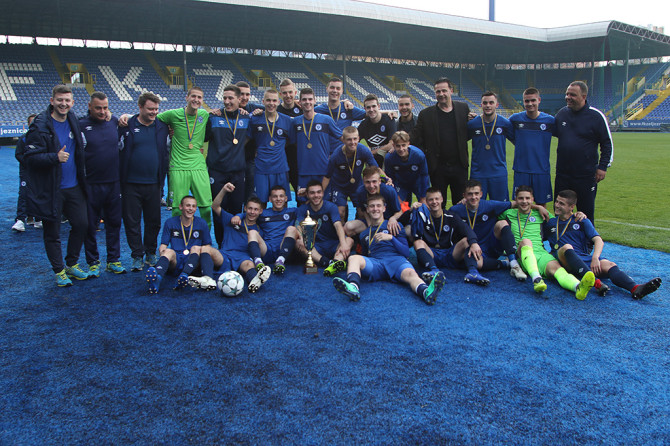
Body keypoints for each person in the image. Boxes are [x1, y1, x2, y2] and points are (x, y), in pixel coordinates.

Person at [23, 84, 89, 286]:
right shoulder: (40, 125)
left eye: (67, 100)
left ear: (72, 102)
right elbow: (29, 158)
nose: (63, 104)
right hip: (52, 188)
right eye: (60, 100)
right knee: (52, 232)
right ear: (52, 101)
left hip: (74, 186)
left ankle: (71, 264)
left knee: (82, 224)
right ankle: (59, 270)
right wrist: (54, 157)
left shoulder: (73, 119)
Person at [332, 194, 446, 305]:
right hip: (377, 263)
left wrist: (391, 238)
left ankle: (426, 291)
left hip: (396, 261)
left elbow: (406, 252)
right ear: (367, 209)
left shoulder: (395, 226)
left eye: (378, 206)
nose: (375, 209)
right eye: (372, 206)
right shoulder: (364, 234)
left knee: (411, 274)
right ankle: (353, 287)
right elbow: (366, 255)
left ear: (384, 208)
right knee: (353, 258)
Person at [548, 189, 662, 300]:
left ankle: (635, 288)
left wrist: (595, 258)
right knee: (567, 247)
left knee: (609, 264)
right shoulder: (550, 222)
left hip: (582, 259)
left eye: (561, 203)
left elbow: (598, 240)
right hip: (563, 260)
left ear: (572, 207)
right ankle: (597, 283)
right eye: (556, 201)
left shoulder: (581, 220)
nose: (556, 205)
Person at [498, 185, 595, 299]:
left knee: (557, 269)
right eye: (520, 198)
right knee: (526, 241)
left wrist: (577, 214)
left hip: (541, 253)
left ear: (532, 199)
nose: (524, 201)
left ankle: (577, 287)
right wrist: (537, 206)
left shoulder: (541, 214)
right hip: (521, 253)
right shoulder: (508, 213)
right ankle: (537, 279)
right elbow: (493, 216)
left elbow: (563, 219)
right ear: (515, 200)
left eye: (527, 198)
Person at [119, 92, 171, 272]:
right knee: (132, 222)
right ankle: (136, 255)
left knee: (153, 221)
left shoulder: (162, 126)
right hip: (130, 183)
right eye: (150, 109)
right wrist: (124, 116)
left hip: (154, 183)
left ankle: (150, 252)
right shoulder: (128, 124)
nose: (154, 112)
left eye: (156, 109)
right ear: (140, 107)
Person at [79, 92, 125, 276]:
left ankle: (113, 260)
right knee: (90, 225)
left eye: (105, 107)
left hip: (113, 183)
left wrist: (125, 116)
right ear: (89, 106)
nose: (102, 111)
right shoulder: (81, 125)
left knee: (114, 223)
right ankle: (93, 262)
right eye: (98, 108)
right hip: (91, 184)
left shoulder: (114, 122)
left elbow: (132, 120)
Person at [554, 81, 613, 222]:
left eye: (572, 95)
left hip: (585, 175)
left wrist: (603, 167)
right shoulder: (562, 114)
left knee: (585, 213)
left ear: (584, 96)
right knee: (560, 211)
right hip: (563, 174)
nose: (568, 97)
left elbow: (607, 143)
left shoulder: (596, 116)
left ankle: (586, 237)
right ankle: (560, 236)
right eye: (567, 94)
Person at [449, 180, 531, 281]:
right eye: (470, 194)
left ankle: (514, 264)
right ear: (464, 195)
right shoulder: (455, 210)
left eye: (476, 193)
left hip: (491, 247)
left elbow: (517, 203)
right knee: (477, 264)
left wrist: (539, 207)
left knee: (502, 223)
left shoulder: (490, 205)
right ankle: (505, 263)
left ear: (481, 194)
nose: (474, 197)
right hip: (470, 248)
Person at [155, 87, 213, 227]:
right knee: (177, 209)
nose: (196, 100)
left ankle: (204, 237)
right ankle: (178, 237)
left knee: (206, 208)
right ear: (187, 98)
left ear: (202, 100)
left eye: (199, 97)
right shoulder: (172, 114)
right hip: (178, 166)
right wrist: (125, 116)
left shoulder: (204, 115)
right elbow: (151, 118)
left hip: (198, 166)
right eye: (193, 96)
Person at [201, 183, 272, 293]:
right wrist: (224, 190)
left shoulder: (259, 230)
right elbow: (215, 206)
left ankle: (254, 281)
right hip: (225, 254)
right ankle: (207, 279)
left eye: (255, 209)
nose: (252, 212)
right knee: (206, 249)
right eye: (250, 208)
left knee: (250, 264)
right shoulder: (231, 219)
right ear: (245, 208)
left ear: (260, 211)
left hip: (243, 258)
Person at [411, 187, 490, 286]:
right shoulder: (422, 215)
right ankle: (434, 270)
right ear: (426, 201)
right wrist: (411, 210)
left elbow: (467, 229)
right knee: (418, 242)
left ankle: (473, 273)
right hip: (432, 253)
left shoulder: (451, 216)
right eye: (431, 199)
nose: (434, 202)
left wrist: (474, 243)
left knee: (467, 241)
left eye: (436, 199)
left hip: (450, 253)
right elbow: (403, 222)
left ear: (442, 199)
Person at [411, 77, 471, 205]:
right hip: (437, 167)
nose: (441, 94)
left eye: (444, 91)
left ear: (451, 91)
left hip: (459, 166)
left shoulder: (463, 108)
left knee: (460, 203)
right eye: (438, 91)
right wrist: (396, 142)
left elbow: (469, 132)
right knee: (437, 204)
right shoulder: (426, 114)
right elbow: (415, 137)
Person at [205, 84, 251, 247]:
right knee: (218, 210)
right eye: (224, 98)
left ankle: (235, 244)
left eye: (230, 98)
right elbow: (201, 136)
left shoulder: (246, 118)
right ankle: (221, 245)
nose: (227, 101)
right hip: (217, 172)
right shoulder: (213, 118)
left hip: (238, 173)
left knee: (236, 210)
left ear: (239, 99)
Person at [144, 195, 213, 294]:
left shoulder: (202, 223)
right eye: (188, 205)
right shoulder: (170, 222)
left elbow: (207, 246)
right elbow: (163, 245)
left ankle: (184, 275)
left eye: (193, 206)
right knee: (168, 251)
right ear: (181, 207)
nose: (191, 209)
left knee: (196, 248)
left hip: (193, 260)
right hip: (176, 260)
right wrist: (163, 255)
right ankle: (157, 278)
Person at [291, 87, 342, 200]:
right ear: (300, 102)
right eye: (304, 99)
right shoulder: (295, 122)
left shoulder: (326, 120)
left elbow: (342, 138)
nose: (307, 102)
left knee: (323, 202)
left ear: (315, 101)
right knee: (304, 202)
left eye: (310, 99)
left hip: (323, 171)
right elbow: (291, 143)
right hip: (304, 171)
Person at [295, 180, 352, 277]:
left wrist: (343, 244)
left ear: (323, 193)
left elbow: (338, 225)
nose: (316, 195)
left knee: (349, 240)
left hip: (332, 244)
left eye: (318, 192)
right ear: (307, 195)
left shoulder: (331, 207)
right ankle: (326, 262)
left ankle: (336, 262)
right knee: (298, 242)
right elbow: (298, 226)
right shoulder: (302, 209)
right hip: (316, 246)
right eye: (312, 193)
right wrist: (301, 238)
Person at [509, 88, 556, 206]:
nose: (530, 104)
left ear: (539, 100)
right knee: (519, 203)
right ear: (523, 102)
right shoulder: (515, 119)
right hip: (521, 170)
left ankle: (540, 220)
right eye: (527, 101)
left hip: (541, 170)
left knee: (541, 204)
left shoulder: (550, 121)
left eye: (533, 100)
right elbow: (502, 128)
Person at [322, 126, 378, 222]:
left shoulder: (363, 150)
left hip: (357, 185)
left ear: (358, 138)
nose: (352, 142)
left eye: (355, 139)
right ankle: (342, 230)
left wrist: (386, 178)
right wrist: (321, 193)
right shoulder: (336, 155)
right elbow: (327, 176)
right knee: (340, 213)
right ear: (343, 140)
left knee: (362, 213)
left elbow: (376, 169)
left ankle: (357, 229)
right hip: (339, 187)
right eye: (349, 139)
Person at [466, 91, 513, 201]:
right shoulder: (472, 124)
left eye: (491, 103)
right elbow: (460, 141)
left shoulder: (505, 124)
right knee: (476, 207)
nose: (488, 105)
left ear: (497, 105)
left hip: (499, 173)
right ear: (481, 105)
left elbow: (517, 141)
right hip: (478, 173)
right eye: (485, 103)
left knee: (500, 207)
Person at [249, 89, 293, 203]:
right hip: (261, 168)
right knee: (260, 202)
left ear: (278, 102)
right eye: (268, 100)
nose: (271, 103)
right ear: (263, 101)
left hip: (280, 167)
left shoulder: (287, 121)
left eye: (274, 100)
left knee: (281, 202)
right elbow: (248, 139)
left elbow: (290, 141)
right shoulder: (255, 119)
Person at [244, 185, 299, 274]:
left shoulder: (293, 211)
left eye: (281, 196)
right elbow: (249, 214)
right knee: (252, 232)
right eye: (275, 196)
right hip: (267, 249)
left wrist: (306, 195)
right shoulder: (263, 213)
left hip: (284, 249)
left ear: (286, 198)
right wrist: (238, 216)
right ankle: (258, 262)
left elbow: (308, 209)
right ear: (270, 199)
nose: (278, 199)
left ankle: (280, 260)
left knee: (292, 229)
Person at [347, 166, 403, 236]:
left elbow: (399, 212)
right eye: (367, 182)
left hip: (387, 222)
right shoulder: (360, 192)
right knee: (348, 227)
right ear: (363, 182)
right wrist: (370, 226)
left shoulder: (389, 191)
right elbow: (363, 211)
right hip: (370, 220)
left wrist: (393, 218)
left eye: (374, 181)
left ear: (379, 181)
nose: (371, 186)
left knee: (404, 230)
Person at [384, 130, 430, 206]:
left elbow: (424, 176)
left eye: (403, 145)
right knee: (399, 206)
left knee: (425, 205)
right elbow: (390, 179)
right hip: (401, 184)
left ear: (408, 144)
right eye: (398, 146)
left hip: (417, 182)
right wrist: (397, 196)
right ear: (393, 145)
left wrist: (423, 197)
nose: (401, 149)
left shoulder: (419, 155)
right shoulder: (389, 158)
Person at [12, 113, 39, 232]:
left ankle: (38, 219)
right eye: (31, 123)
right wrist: (29, 163)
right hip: (26, 172)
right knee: (24, 194)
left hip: (39, 172)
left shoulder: (43, 138)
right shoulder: (23, 138)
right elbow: (18, 154)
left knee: (39, 194)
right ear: (28, 124)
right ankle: (20, 220)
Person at [277, 78, 303, 195]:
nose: (288, 95)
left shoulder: (302, 109)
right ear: (280, 94)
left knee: (300, 194)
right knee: (281, 195)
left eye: (290, 92)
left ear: (295, 93)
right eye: (285, 93)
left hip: (298, 159)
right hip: (281, 159)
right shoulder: (276, 110)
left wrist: (344, 101)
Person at [357, 94, 397, 167]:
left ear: (378, 106)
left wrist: (371, 152)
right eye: (368, 107)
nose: (371, 109)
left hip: (388, 157)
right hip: (373, 159)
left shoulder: (389, 120)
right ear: (365, 109)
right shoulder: (363, 125)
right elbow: (355, 141)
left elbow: (391, 144)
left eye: (374, 106)